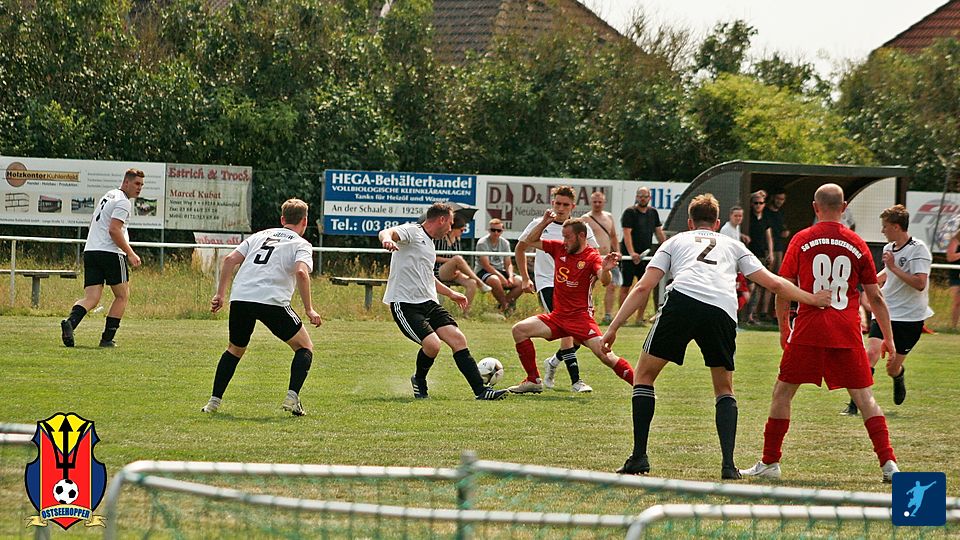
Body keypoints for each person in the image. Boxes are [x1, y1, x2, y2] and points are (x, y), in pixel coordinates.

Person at [603, 194, 831, 480]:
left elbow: (642, 287)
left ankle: (639, 457)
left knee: (644, 376)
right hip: (721, 309)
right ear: (717, 222)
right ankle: (728, 466)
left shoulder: (675, 242)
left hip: (683, 300)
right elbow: (774, 283)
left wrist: (613, 327)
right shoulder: (734, 245)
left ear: (690, 223)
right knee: (724, 388)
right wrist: (812, 298)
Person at [740, 184, 900, 483]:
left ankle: (770, 461)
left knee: (782, 393)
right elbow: (875, 297)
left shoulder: (802, 239)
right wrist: (889, 338)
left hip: (808, 330)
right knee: (865, 398)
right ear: (844, 207)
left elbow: (783, 287)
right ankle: (889, 463)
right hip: (846, 331)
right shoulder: (857, 243)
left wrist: (784, 327)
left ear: (815, 207)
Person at [201, 198, 322, 416]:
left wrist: (220, 294)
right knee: (304, 347)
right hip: (271, 300)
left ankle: (213, 402)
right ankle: (292, 398)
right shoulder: (301, 244)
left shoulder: (259, 235)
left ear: (282, 219)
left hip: (242, 298)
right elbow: (301, 272)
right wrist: (309, 309)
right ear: (305, 221)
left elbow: (229, 260)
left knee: (235, 349)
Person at [381, 202, 508, 401]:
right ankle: (419, 379)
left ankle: (481, 391)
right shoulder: (413, 231)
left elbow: (428, 277)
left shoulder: (429, 244)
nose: (450, 228)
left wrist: (450, 294)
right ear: (441, 220)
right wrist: (388, 240)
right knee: (433, 345)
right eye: (450, 223)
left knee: (458, 339)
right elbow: (386, 232)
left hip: (429, 303)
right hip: (405, 304)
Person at [507, 212, 635, 394]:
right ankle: (533, 380)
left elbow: (604, 280)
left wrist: (606, 270)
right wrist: (544, 223)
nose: (564, 241)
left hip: (580, 318)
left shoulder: (592, 257)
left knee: (606, 356)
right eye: (563, 237)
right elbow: (530, 241)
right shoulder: (559, 248)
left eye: (567, 237)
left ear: (581, 236)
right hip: (558, 317)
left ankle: (641, 386)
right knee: (519, 330)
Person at [843, 205, 933, 415]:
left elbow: (920, 283)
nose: (882, 230)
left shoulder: (918, 249)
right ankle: (855, 405)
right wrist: (870, 282)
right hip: (887, 309)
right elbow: (888, 273)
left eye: (885, 226)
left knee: (892, 368)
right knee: (871, 353)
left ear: (896, 227)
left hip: (910, 316)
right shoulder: (888, 249)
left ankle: (898, 375)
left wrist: (893, 267)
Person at [516, 185, 599, 393]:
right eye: (557, 203)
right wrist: (525, 278)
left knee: (579, 338)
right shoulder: (539, 224)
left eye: (565, 205)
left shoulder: (581, 228)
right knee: (568, 332)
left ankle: (553, 361)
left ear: (573, 207)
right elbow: (520, 248)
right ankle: (576, 381)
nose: (560, 208)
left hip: (575, 291)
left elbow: (594, 257)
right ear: (552, 203)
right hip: (548, 283)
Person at [60, 168, 145, 348]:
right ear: (126, 182)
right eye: (137, 183)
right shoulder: (123, 202)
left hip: (91, 250)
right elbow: (114, 230)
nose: (139, 188)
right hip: (111, 253)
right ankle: (107, 339)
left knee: (91, 298)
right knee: (122, 296)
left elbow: (93, 222)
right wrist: (130, 253)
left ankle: (70, 323)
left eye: (142, 185)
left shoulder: (108, 195)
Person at [619, 187, 666, 325]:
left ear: (649, 198)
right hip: (629, 257)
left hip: (645, 257)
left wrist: (667, 247)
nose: (643, 199)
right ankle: (622, 319)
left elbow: (658, 232)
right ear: (636, 197)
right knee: (626, 286)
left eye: (645, 196)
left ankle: (640, 318)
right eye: (640, 196)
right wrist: (632, 253)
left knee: (645, 287)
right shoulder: (630, 212)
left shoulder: (653, 212)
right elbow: (627, 234)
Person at [581, 191, 621, 324]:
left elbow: (613, 236)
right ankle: (583, 312)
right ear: (591, 202)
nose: (597, 204)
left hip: (607, 258)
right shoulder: (585, 219)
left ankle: (608, 315)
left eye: (600, 202)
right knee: (588, 286)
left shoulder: (609, 217)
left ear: (604, 202)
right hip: (591, 258)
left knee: (611, 285)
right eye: (595, 202)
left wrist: (617, 251)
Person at [434, 224, 491, 313]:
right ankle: (480, 282)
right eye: (461, 230)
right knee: (457, 258)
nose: (463, 232)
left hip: (454, 271)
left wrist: (455, 265)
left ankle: (465, 312)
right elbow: (434, 257)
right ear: (454, 229)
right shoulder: (440, 238)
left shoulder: (457, 240)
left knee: (472, 283)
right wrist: (451, 261)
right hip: (439, 270)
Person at [474, 218, 523, 313]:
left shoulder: (505, 243)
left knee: (521, 281)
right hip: (483, 271)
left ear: (502, 231)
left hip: (500, 270)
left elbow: (508, 263)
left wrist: (510, 277)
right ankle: (505, 307)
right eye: (493, 230)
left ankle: (501, 307)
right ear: (489, 230)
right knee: (495, 280)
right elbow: (486, 265)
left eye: (499, 230)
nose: (496, 233)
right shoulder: (482, 243)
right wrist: (501, 278)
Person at [743, 190, 774, 325]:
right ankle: (746, 314)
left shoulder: (766, 219)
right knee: (750, 287)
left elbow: (769, 237)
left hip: (761, 255)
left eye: (761, 203)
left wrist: (771, 253)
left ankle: (752, 315)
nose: (758, 205)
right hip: (748, 255)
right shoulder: (748, 218)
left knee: (759, 287)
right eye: (755, 203)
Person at [760, 191, 790, 318]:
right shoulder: (765, 212)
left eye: (782, 199)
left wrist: (785, 232)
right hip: (767, 250)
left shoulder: (781, 213)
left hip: (779, 249)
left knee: (776, 279)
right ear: (773, 197)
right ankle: (760, 312)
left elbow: (783, 229)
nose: (779, 201)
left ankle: (770, 312)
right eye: (778, 198)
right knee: (765, 280)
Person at [947, 230, 960, 330]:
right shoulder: (955, 241)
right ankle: (953, 327)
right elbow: (950, 257)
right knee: (957, 302)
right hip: (956, 275)